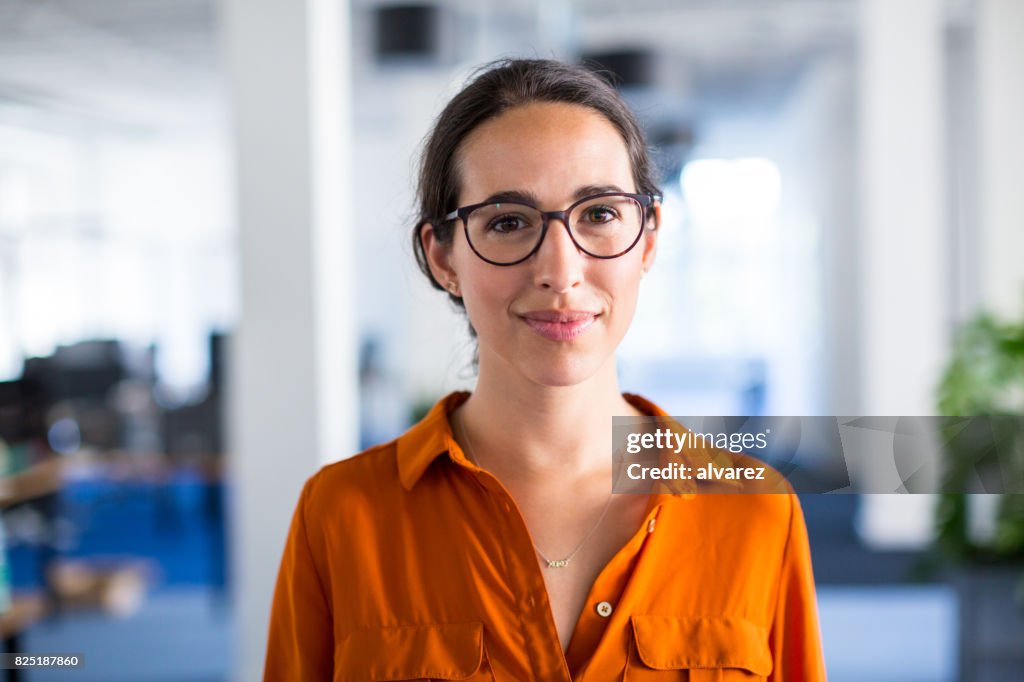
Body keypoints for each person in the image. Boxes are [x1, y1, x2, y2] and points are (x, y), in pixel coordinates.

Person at [264, 58, 827, 681]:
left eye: (600, 214)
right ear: (443, 256)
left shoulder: (752, 511)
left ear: (648, 239)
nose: (560, 271)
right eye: (508, 222)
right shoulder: (343, 516)